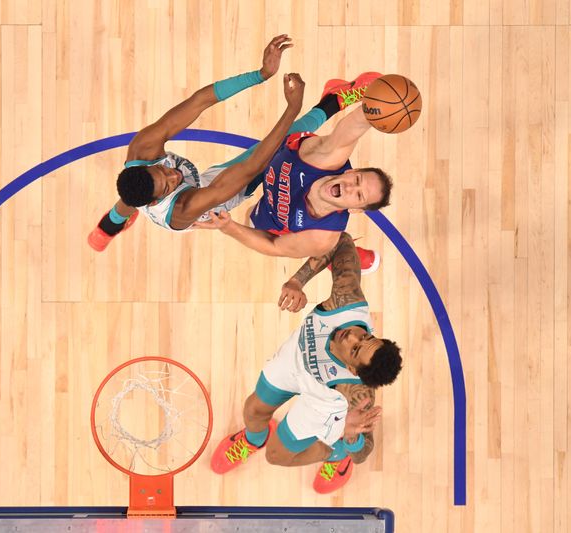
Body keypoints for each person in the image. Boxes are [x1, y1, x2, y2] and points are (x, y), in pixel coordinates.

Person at [87, 34, 376, 251]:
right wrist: (291, 109)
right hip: (213, 195)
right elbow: (253, 166)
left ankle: (109, 226)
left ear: (146, 164)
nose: (173, 174)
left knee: (128, 195)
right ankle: (335, 99)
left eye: (162, 170)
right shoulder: (184, 208)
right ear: (157, 199)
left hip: (179, 185)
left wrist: (260, 74)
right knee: (287, 158)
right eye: (168, 183)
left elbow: (199, 101)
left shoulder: (143, 149)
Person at [210, 232, 403, 493]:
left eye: (355, 348)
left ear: (352, 369)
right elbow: (340, 241)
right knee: (253, 410)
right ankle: (254, 440)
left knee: (276, 457)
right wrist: (296, 281)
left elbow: (363, 454)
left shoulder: (356, 393)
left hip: (322, 399)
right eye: (366, 335)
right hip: (294, 360)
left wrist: (350, 436)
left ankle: (336, 455)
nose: (353, 335)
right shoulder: (347, 301)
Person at [194, 99, 394, 267]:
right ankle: (333, 99)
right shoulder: (329, 156)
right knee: (277, 140)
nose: (351, 187)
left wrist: (229, 227)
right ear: (351, 171)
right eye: (357, 180)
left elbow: (274, 247)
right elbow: (357, 124)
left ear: (356, 210)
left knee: (250, 221)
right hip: (279, 153)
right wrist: (380, 103)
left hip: (271, 214)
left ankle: (336, 255)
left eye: (359, 195)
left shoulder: (320, 236)